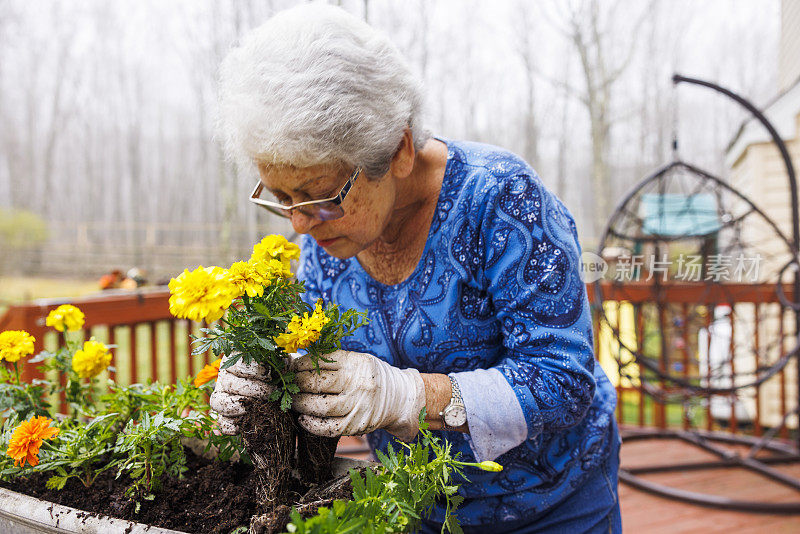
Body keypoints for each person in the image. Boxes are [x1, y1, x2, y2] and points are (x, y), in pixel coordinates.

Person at [210, 4, 621, 533]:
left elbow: (564, 380)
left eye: (319, 197)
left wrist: (408, 396)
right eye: (282, 198)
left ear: (399, 149)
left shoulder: (500, 201)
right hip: (419, 505)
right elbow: (320, 362)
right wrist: (265, 380)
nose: (299, 225)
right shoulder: (325, 239)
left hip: (555, 505)